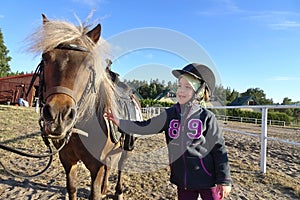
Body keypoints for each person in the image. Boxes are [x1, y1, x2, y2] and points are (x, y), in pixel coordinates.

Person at [105, 63, 232, 200]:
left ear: (200, 92)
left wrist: (224, 180)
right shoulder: (170, 114)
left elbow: (219, 150)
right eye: (179, 85)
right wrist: (120, 122)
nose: (181, 91)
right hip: (183, 181)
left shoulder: (207, 118)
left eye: (187, 87)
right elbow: (146, 126)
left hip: (208, 179)